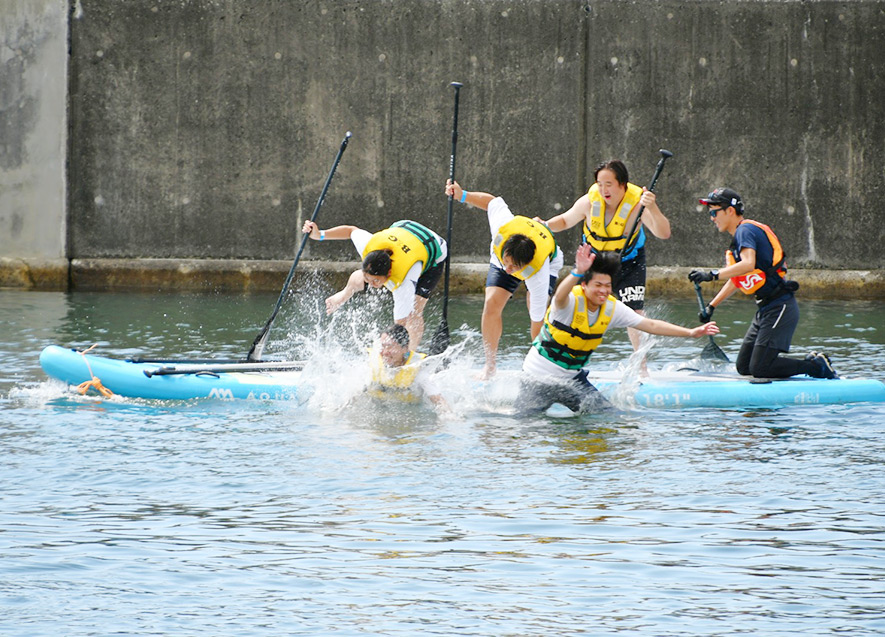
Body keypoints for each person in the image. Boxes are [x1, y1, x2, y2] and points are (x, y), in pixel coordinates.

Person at [521, 244, 720, 414]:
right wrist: (578, 271)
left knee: (606, 416)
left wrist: (691, 332)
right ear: (584, 285)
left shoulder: (611, 307)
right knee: (525, 424)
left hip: (572, 381)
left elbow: (650, 325)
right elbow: (559, 296)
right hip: (537, 378)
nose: (603, 291)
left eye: (607, 286)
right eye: (598, 285)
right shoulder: (569, 302)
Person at [688, 187, 837, 380]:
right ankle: (796, 364)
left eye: (714, 212)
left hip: (780, 307)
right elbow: (737, 279)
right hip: (764, 310)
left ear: (730, 211)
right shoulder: (739, 238)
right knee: (744, 367)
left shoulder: (745, 230)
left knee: (760, 369)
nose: (712, 218)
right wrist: (711, 306)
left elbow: (748, 264)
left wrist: (712, 274)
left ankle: (816, 366)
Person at [541, 159, 671, 366]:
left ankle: (642, 366)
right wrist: (546, 225)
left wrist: (653, 208)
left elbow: (663, 233)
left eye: (608, 184)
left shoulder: (639, 205)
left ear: (623, 185)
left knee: (634, 311)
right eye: (600, 184)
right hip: (595, 263)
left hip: (630, 262)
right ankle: (556, 357)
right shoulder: (589, 201)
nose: (603, 190)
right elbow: (565, 220)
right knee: (571, 306)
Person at [445, 179, 564, 379]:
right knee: (491, 303)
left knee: (534, 307)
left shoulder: (538, 272)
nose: (509, 270)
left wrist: (539, 370)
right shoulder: (503, 225)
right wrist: (462, 194)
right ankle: (489, 367)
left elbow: (537, 324)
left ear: (525, 265)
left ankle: (539, 366)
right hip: (502, 254)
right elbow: (492, 202)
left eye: (514, 267)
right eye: (507, 264)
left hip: (551, 260)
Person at [302, 219, 447, 350]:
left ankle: (408, 354)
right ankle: (345, 293)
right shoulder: (368, 245)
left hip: (432, 250)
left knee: (414, 312)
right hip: (404, 229)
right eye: (368, 279)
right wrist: (318, 234)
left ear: (389, 273)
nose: (371, 284)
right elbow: (351, 230)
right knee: (365, 277)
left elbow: (400, 326)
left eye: (376, 281)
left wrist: (389, 350)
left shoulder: (404, 283)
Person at [366, 324, 447, 410]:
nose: (385, 352)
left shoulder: (417, 370)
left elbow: (439, 401)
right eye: (383, 346)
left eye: (390, 347)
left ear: (405, 348)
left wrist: (449, 416)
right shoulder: (372, 364)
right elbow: (354, 392)